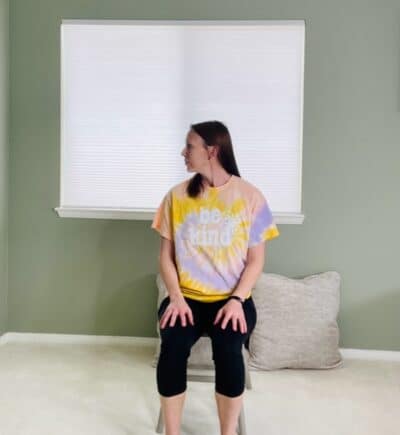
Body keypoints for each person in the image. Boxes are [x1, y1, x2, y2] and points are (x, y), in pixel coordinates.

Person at [151, 120, 279, 435]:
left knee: (228, 349)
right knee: (172, 346)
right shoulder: (176, 196)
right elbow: (165, 258)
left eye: (189, 146)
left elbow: (255, 261)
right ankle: (172, 432)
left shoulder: (250, 197)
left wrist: (237, 300)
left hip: (232, 302)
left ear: (212, 150)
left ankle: (227, 432)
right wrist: (177, 298)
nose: (183, 152)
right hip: (186, 300)